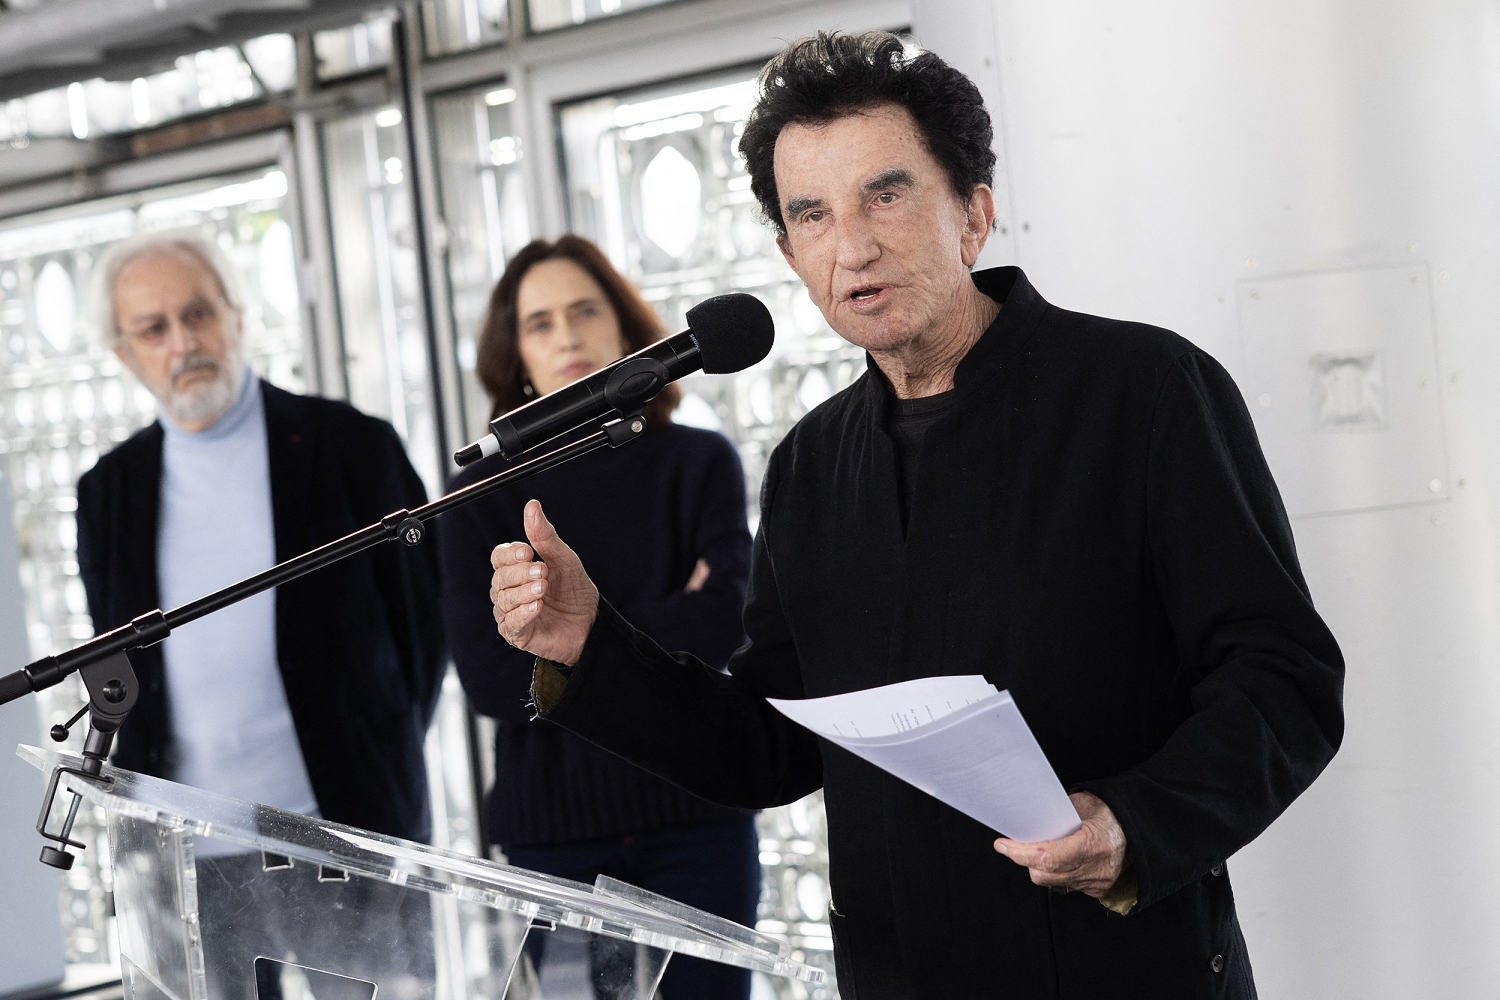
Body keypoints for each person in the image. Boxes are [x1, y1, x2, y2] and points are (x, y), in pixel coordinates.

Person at [485, 31, 1345, 999]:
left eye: (884, 195)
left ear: (974, 213)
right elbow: (769, 741)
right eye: (812, 214)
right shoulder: (809, 466)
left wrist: (1132, 826)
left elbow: (1286, 680)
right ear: (787, 253)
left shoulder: (1144, 395)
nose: (852, 245)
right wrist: (590, 644)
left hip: (1125, 970)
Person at [75, 230, 443, 996]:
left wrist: (376, 756)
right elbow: (118, 666)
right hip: (184, 853)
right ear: (123, 353)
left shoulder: (353, 448)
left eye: (199, 313)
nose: (184, 342)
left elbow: (424, 629)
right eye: (154, 328)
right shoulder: (109, 491)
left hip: (347, 834)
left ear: (238, 315)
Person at [438, 235, 761, 998]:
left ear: (624, 328)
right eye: (541, 322)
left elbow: (727, 628)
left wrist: (560, 638)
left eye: (585, 311)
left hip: (699, 822)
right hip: (552, 838)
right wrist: (663, 617)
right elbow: (488, 679)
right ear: (516, 356)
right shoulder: (479, 493)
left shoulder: (699, 462)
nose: (569, 335)